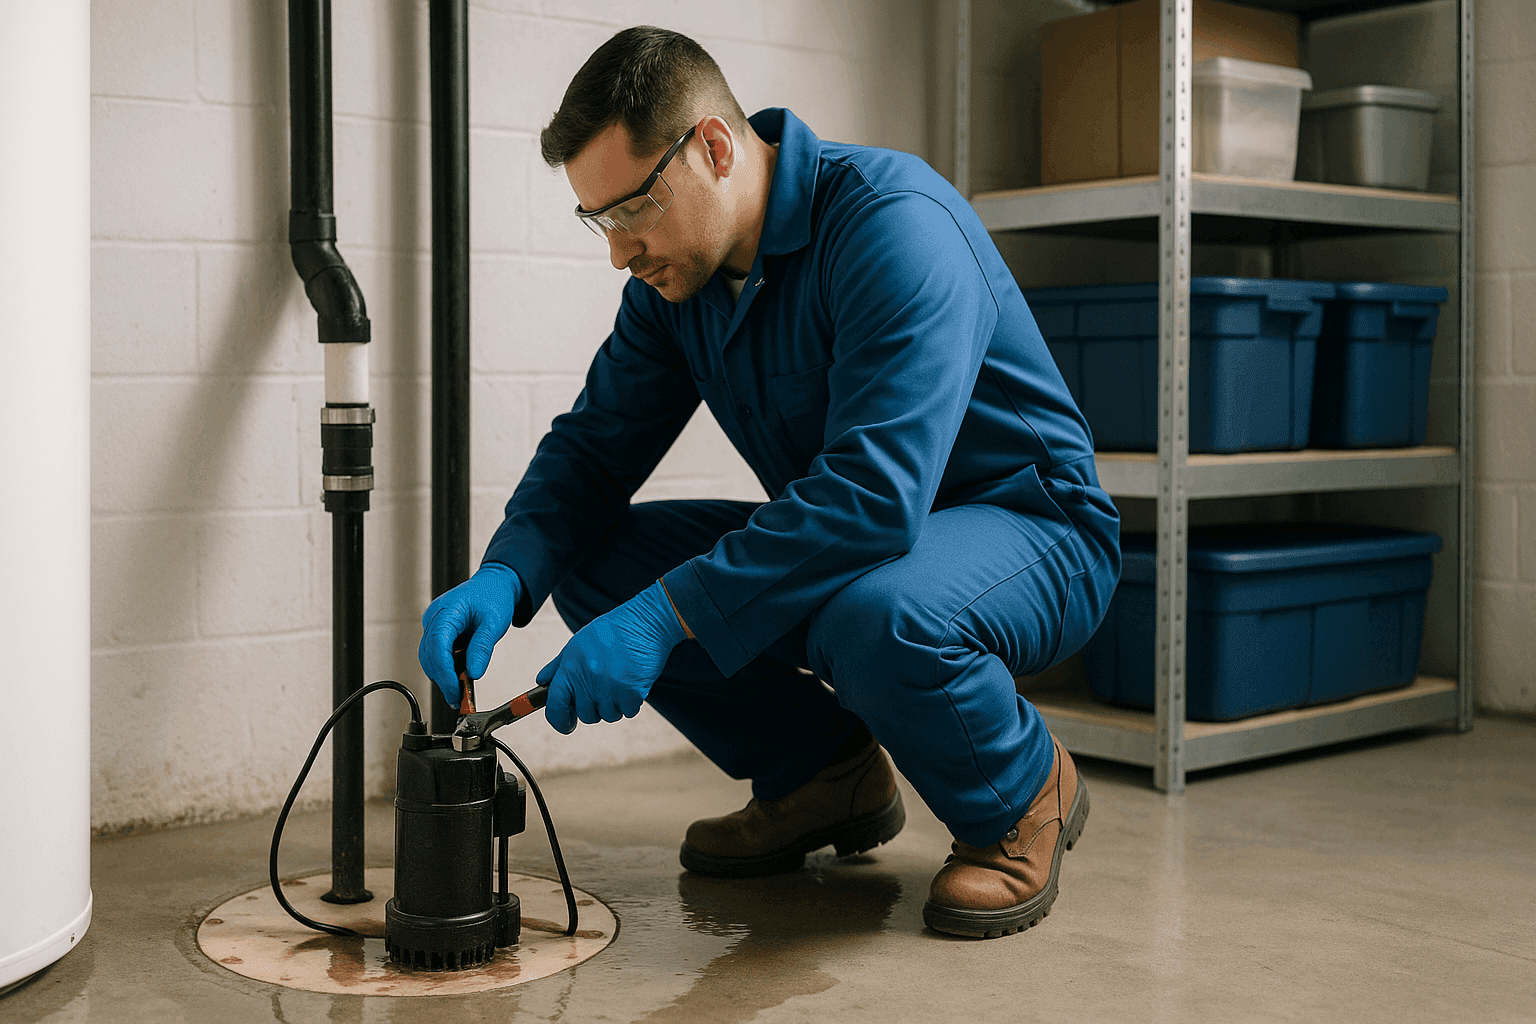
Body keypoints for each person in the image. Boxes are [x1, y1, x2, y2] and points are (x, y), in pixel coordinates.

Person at [418, 25, 1120, 940]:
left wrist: (665, 616)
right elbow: (594, 447)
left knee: (873, 614)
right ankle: (822, 776)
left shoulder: (891, 223)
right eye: (601, 223)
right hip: (876, 545)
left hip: (1034, 530)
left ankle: (1024, 792)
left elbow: (873, 494)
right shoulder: (678, 287)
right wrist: (506, 573)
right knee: (595, 560)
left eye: (631, 210)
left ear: (712, 147)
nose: (620, 253)